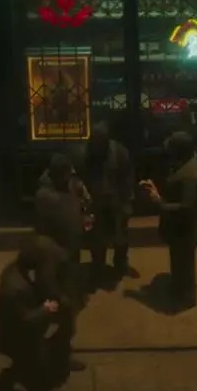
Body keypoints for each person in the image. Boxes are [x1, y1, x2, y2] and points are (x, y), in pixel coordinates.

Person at [0, 236, 73, 391]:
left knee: (24, 365)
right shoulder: (14, 287)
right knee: (35, 364)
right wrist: (47, 309)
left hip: (23, 331)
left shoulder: (20, 270)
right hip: (17, 334)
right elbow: (26, 319)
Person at [33, 153, 90, 371]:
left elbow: (82, 204)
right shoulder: (45, 196)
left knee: (67, 312)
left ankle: (57, 354)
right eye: (67, 174)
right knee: (55, 310)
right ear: (58, 175)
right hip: (54, 260)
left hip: (69, 256)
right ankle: (48, 358)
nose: (71, 177)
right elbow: (45, 232)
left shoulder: (70, 186)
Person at [141, 131, 197, 309]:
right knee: (178, 258)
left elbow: (186, 208)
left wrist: (158, 201)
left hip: (184, 226)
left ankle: (186, 297)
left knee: (184, 260)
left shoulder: (190, 176)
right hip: (179, 225)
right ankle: (178, 288)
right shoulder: (189, 159)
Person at [74, 121, 135, 287]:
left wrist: (127, 201)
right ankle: (98, 268)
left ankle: (120, 264)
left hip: (116, 202)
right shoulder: (82, 155)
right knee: (96, 238)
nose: (98, 146)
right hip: (94, 203)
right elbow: (77, 180)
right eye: (95, 142)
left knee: (120, 237)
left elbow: (128, 178)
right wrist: (82, 202)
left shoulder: (119, 152)